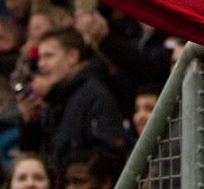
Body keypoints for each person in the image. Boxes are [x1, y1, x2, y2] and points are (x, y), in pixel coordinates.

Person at [17, 28, 124, 170]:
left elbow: (108, 152)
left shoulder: (95, 94)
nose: (41, 64)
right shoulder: (55, 99)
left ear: (72, 57)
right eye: (40, 58)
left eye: (48, 56)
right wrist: (31, 124)